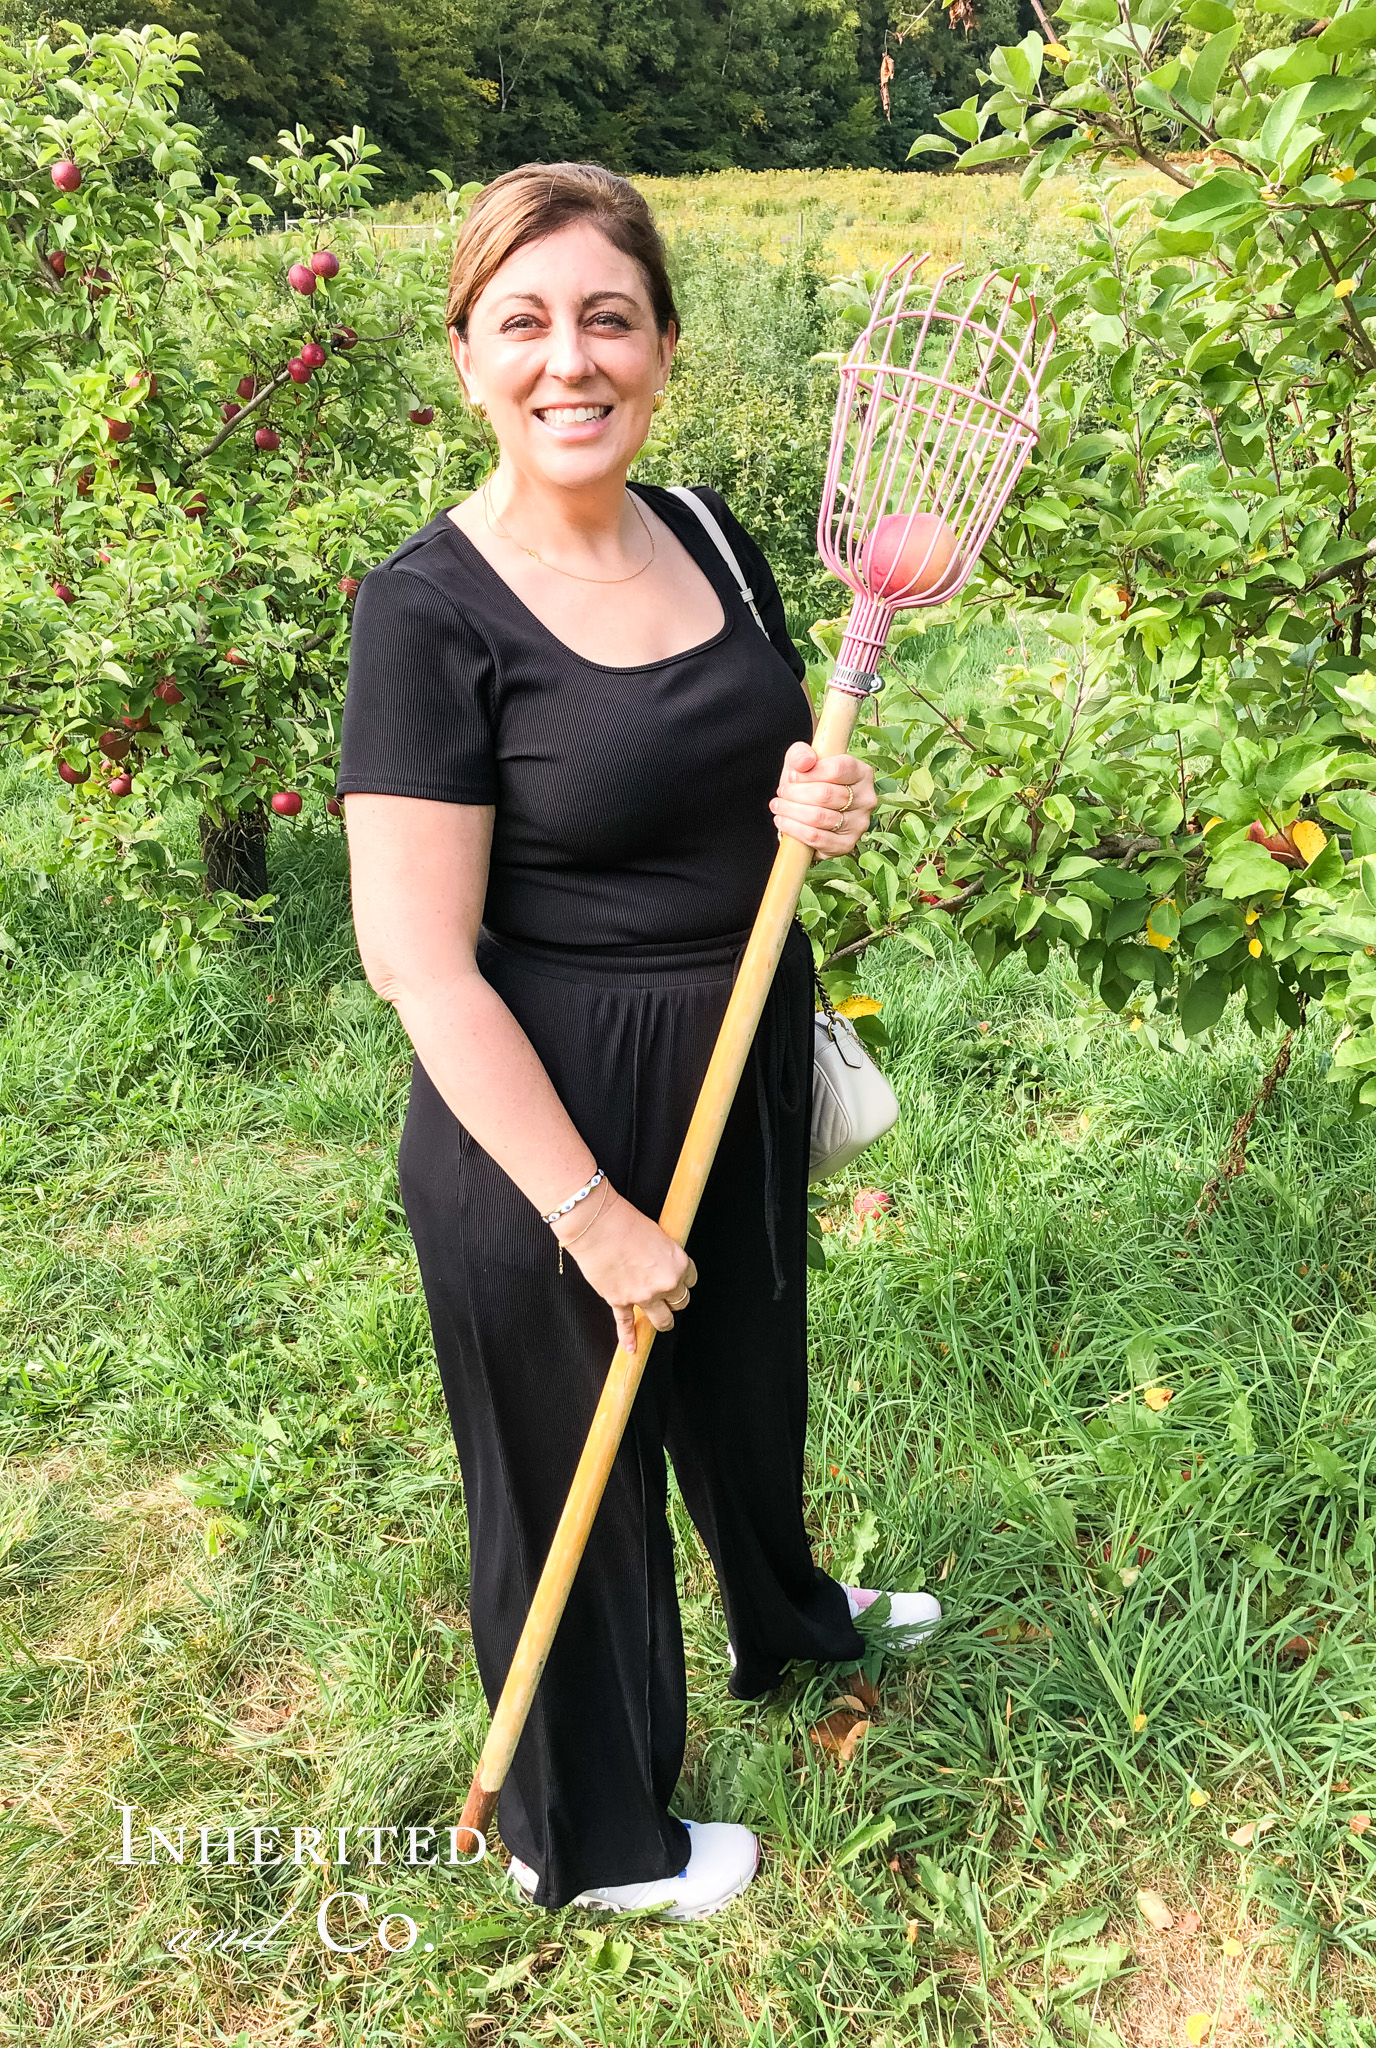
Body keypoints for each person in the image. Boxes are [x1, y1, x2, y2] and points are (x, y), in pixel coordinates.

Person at [337, 162, 940, 1922]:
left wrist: (815, 802)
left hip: (739, 1044)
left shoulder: (709, 531)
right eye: (522, 322)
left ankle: (790, 1618)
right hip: (548, 1115)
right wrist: (588, 1213)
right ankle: (586, 1842)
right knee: (569, 1484)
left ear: (665, 342)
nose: (570, 359)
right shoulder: (429, 612)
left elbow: (734, 780)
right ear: (466, 358)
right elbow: (417, 963)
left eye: (608, 315)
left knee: (750, 1380)